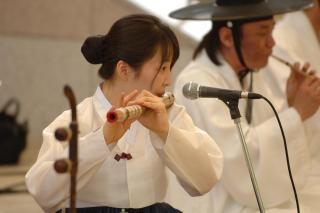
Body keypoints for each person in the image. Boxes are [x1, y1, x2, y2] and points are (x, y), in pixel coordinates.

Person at [25, 14, 223, 213]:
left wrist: (165, 132)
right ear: (124, 70)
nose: (168, 80)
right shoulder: (76, 120)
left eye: (169, 68)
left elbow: (206, 180)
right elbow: (42, 192)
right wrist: (102, 139)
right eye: (162, 68)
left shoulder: (168, 115)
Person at [170, 0, 320, 212]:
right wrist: (297, 113)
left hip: (246, 196)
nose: (272, 43)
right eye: (262, 33)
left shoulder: (248, 73)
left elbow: (265, 131)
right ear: (227, 37)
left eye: (272, 31)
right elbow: (236, 161)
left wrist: (291, 102)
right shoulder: (197, 83)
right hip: (218, 201)